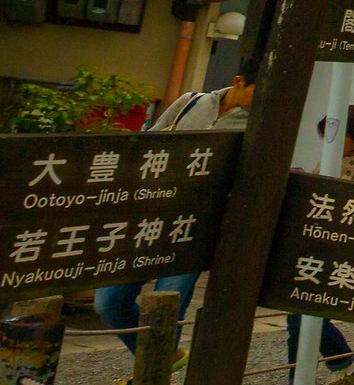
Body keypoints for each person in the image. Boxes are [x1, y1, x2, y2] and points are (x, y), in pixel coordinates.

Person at [95, 72, 254, 358]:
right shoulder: (190, 103)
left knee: (166, 308)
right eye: (258, 90)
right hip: (150, 216)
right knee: (108, 300)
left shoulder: (256, 125)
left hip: (194, 227)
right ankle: (165, 358)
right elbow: (148, 147)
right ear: (239, 81)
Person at [288, 104, 354, 377]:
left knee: (306, 316)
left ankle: (342, 365)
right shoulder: (327, 160)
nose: (332, 142)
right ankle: (300, 382)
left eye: (338, 135)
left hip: (343, 252)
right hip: (313, 247)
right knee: (297, 318)